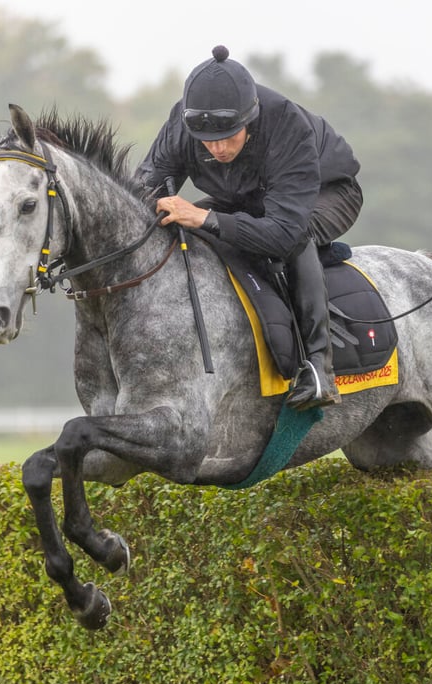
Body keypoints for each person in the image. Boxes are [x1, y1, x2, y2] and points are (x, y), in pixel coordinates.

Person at [135, 45, 363, 410]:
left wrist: (206, 218)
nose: (218, 148)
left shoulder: (285, 122)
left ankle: (319, 369)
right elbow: (144, 190)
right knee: (181, 223)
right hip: (247, 196)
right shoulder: (184, 122)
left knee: (296, 239)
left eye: (229, 136)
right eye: (208, 140)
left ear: (249, 120)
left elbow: (284, 232)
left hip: (325, 191)